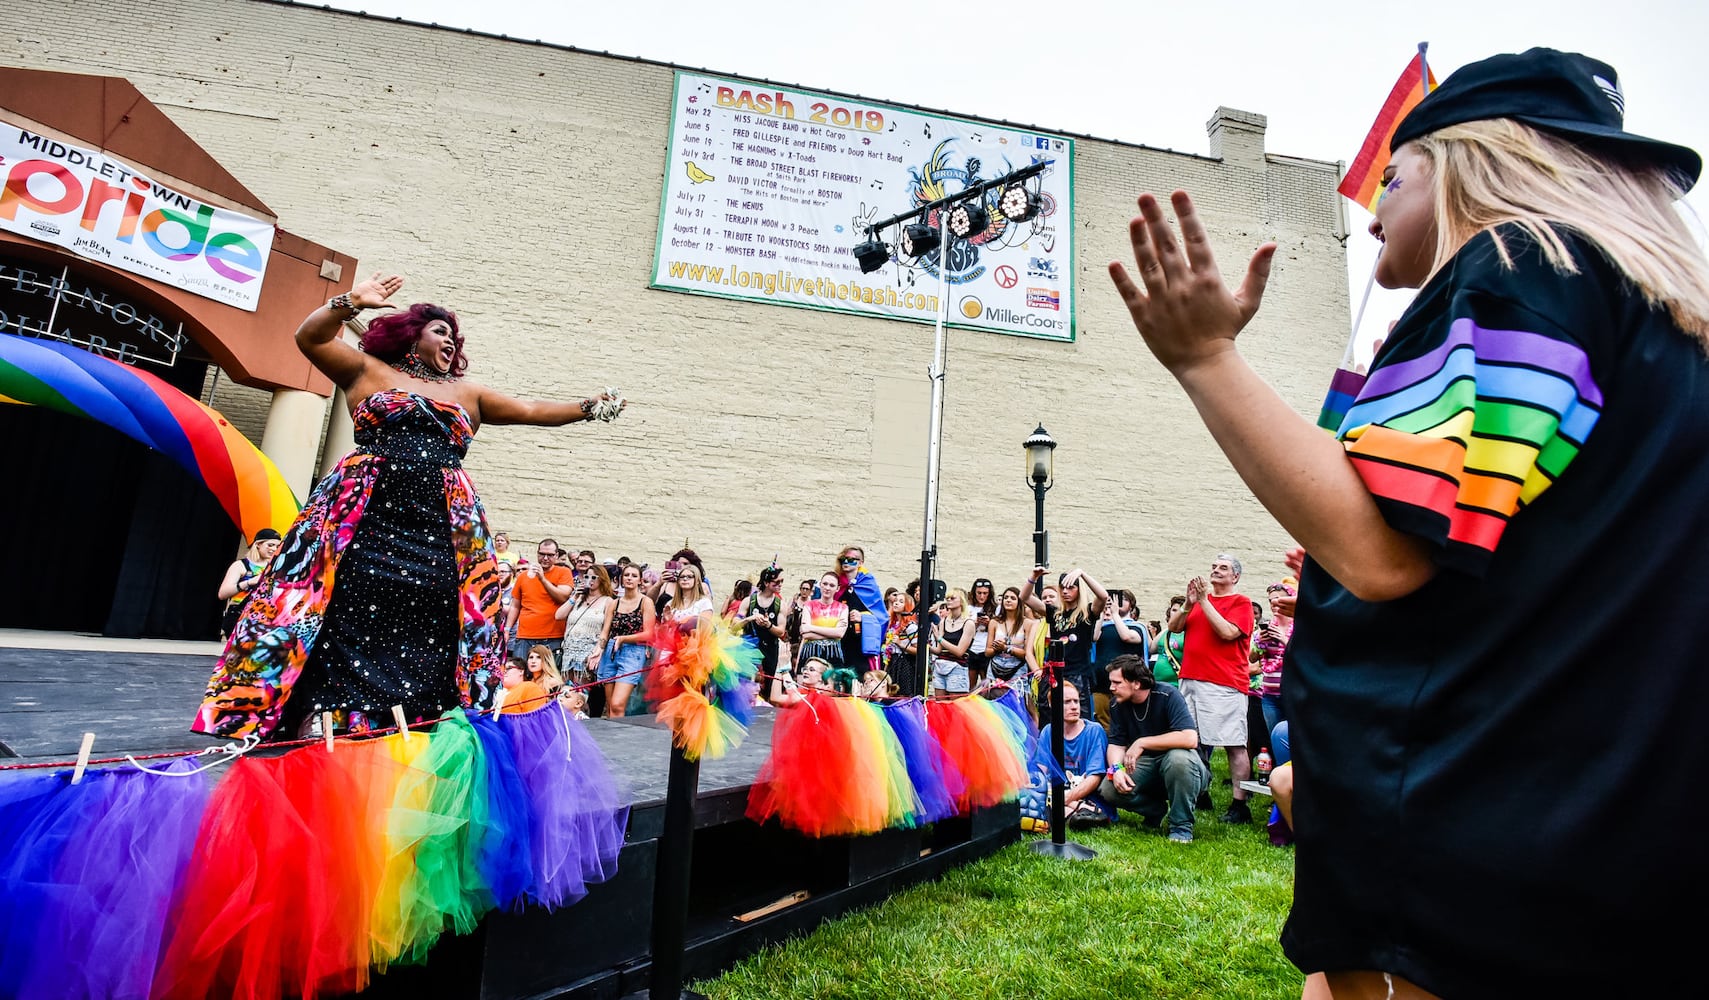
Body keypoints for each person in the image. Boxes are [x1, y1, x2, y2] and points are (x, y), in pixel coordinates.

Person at [1107, 47, 1709, 997]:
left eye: (1395, 174)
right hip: (1604, 834)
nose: (1375, 201)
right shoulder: (1664, 330)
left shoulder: (1519, 266)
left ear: (1471, 165)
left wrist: (1205, 357)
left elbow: (1381, 549)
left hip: (1466, 835)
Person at [193, 275, 621, 739]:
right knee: (342, 602)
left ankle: (416, 715)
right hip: (362, 515)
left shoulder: (468, 394)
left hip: (440, 525)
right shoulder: (367, 370)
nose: (450, 342)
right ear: (412, 334)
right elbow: (308, 337)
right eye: (440, 331)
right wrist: (351, 302)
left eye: (454, 338)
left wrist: (587, 406)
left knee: (435, 609)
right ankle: (332, 713)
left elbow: (533, 409)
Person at [1166, 553, 1255, 823]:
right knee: (1193, 740)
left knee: (1232, 743)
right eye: (1214, 566)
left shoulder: (1242, 603)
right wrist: (1187, 604)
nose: (1216, 570)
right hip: (1190, 678)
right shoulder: (1198, 603)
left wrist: (1204, 601)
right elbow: (1174, 628)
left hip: (1223, 682)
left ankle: (1240, 805)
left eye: (1223, 568)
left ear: (1235, 576)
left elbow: (1228, 633)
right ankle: (1199, 789)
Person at [1099, 654, 1209, 844]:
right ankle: (1155, 810)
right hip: (1147, 765)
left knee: (1178, 760)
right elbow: (1116, 744)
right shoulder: (1117, 704)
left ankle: (1181, 826)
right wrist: (1117, 770)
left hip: (1185, 764)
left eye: (1117, 683)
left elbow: (1190, 738)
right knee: (1108, 788)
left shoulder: (1167, 695)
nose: (1111, 688)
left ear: (1136, 683)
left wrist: (1142, 742)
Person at [1018, 680, 1112, 830]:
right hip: (1055, 796)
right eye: (1067, 702)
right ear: (1052, 705)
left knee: (1044, 811)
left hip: (1087, 796)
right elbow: (1040, 772)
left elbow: (1095, 777)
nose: (1074, 706)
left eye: (1076, 701)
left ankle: (1081, 813)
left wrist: (1064, 798)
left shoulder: (1094, 730)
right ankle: (1077, 813)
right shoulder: (1048, 731)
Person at [1019, 566, 1109, 722]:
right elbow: (1024, 597)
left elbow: (1103, 596)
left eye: (1071, 587)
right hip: (1054, 674)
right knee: (1051, 718)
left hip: (1078, 674)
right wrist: (1034, 577)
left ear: (1079, 590)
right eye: (1062, 588)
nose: (1065, 591)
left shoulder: (1086, 613)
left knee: (1079, 717)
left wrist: (1083, 573)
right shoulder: (1054, 613)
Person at [595, 562, 654, 718]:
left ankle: (621, 741)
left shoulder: (645, 602)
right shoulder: (614, 603)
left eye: (634, 576)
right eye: (626, 575)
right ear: (621, 578)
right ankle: (612, 739)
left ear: (640, 580)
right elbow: (605, 632)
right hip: (611, 651)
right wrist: (598, 650)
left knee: (617, 704)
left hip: (633, 652)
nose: (629, 578)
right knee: (609, 707)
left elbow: (649, 634)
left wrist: (624, 639)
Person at [510, 538, 575, 661]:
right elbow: (515, 605)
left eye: (550, 555)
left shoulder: (564, 572)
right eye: (542, 554)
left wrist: (542, 579)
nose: (545, 558)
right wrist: (508, 629)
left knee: (549, 677)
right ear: (537, 553)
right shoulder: (523, 576)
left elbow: (562, 597)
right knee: (521, 674)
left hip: (553, 636)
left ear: (556, 556)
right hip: (525, 635)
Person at [1092, 588, 1149, 727]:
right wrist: (1101, 611)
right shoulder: (1104, 626)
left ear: (1132, 604)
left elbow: (1126, 636)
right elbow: (1094, 637)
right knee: (1103, 723)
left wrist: (1115, 614)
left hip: (1126, 683)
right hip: (1101, 683)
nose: (1117, 602)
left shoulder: (1137, 627)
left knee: (1125, 721)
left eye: (1123, 599)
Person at [216, 528, 281, 640]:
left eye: (277, 546)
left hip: (267, 617)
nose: (273, 549)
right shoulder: (241, 565)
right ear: (258, 545)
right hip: (240, 614)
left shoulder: (276, 568)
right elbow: (223, 593)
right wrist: (249, 582)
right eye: (270, 545)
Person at [556, 563, 615, 685]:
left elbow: (607, 630)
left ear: (602, 579)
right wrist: (574, 596)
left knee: (580, 689)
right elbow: (558, 616)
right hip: (569, 648)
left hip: (588, 650)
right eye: (587, 577)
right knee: (565, 688)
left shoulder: (608, 601)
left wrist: (599, 650)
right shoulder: (578, 598)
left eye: (594, 578)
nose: (589, 580)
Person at [1250, 579, 1295, 737]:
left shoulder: (1299, 627)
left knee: (1294, 739)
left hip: (1293, 692)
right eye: (1271, 600)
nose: (1274, 603)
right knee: (1274, 736)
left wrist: (1284, 639)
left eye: (1278, 599)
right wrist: (1260, 643)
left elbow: (1303, 656)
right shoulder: (1267, 628)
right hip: (1268, 694)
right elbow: (1252, 658)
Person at [832, 546, 886, 674]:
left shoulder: (868, 584)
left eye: (852, 560)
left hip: (861, 644)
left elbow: (882, 618)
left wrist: (863, 617)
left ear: (860, 563)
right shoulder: (836, 584)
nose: (846, 562)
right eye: (844, 559)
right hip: (839, 642)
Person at [739, 565, 787, 696]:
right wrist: (750, 619)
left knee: (768, 683)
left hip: (770, 649)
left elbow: (781, 632)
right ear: (766, 583)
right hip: (749, 648)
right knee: (747, 682)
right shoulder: (749, 601)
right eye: (776, 582)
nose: (780, 585)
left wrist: (768, 625)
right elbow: (734, 626)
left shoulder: (780, 604)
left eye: (782, 581)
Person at [927, 588, 974, 697]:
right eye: (947, 598)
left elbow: (959, 651)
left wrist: (939, 638)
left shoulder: (968, 623)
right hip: (940, 666)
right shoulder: (944, 621)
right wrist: (925, 646)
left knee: (955, 705)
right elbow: (939, 650)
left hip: (957, 667)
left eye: (952, 598)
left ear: (961, 601)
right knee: (940, 703)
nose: (949, 601)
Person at [796, 572, 848, 669]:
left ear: (837, 588)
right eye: (825, 584)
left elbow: (840, 633)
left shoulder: (843, 608)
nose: (827, 588)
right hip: (810, 653)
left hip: (833, 654)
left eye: (832, 585)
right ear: (820, 585)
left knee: (832, 683)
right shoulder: (809, 605)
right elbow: (806, 634)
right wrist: (831, 633)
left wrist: (810, 627)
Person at [1151, 594, 1187, 684]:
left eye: (1179, 610)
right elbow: (1150, 648)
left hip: (1177, 684)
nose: (1176, 613)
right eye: (1174, 610)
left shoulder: (1188, 633)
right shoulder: (1166, 632)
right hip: (1158, 682)